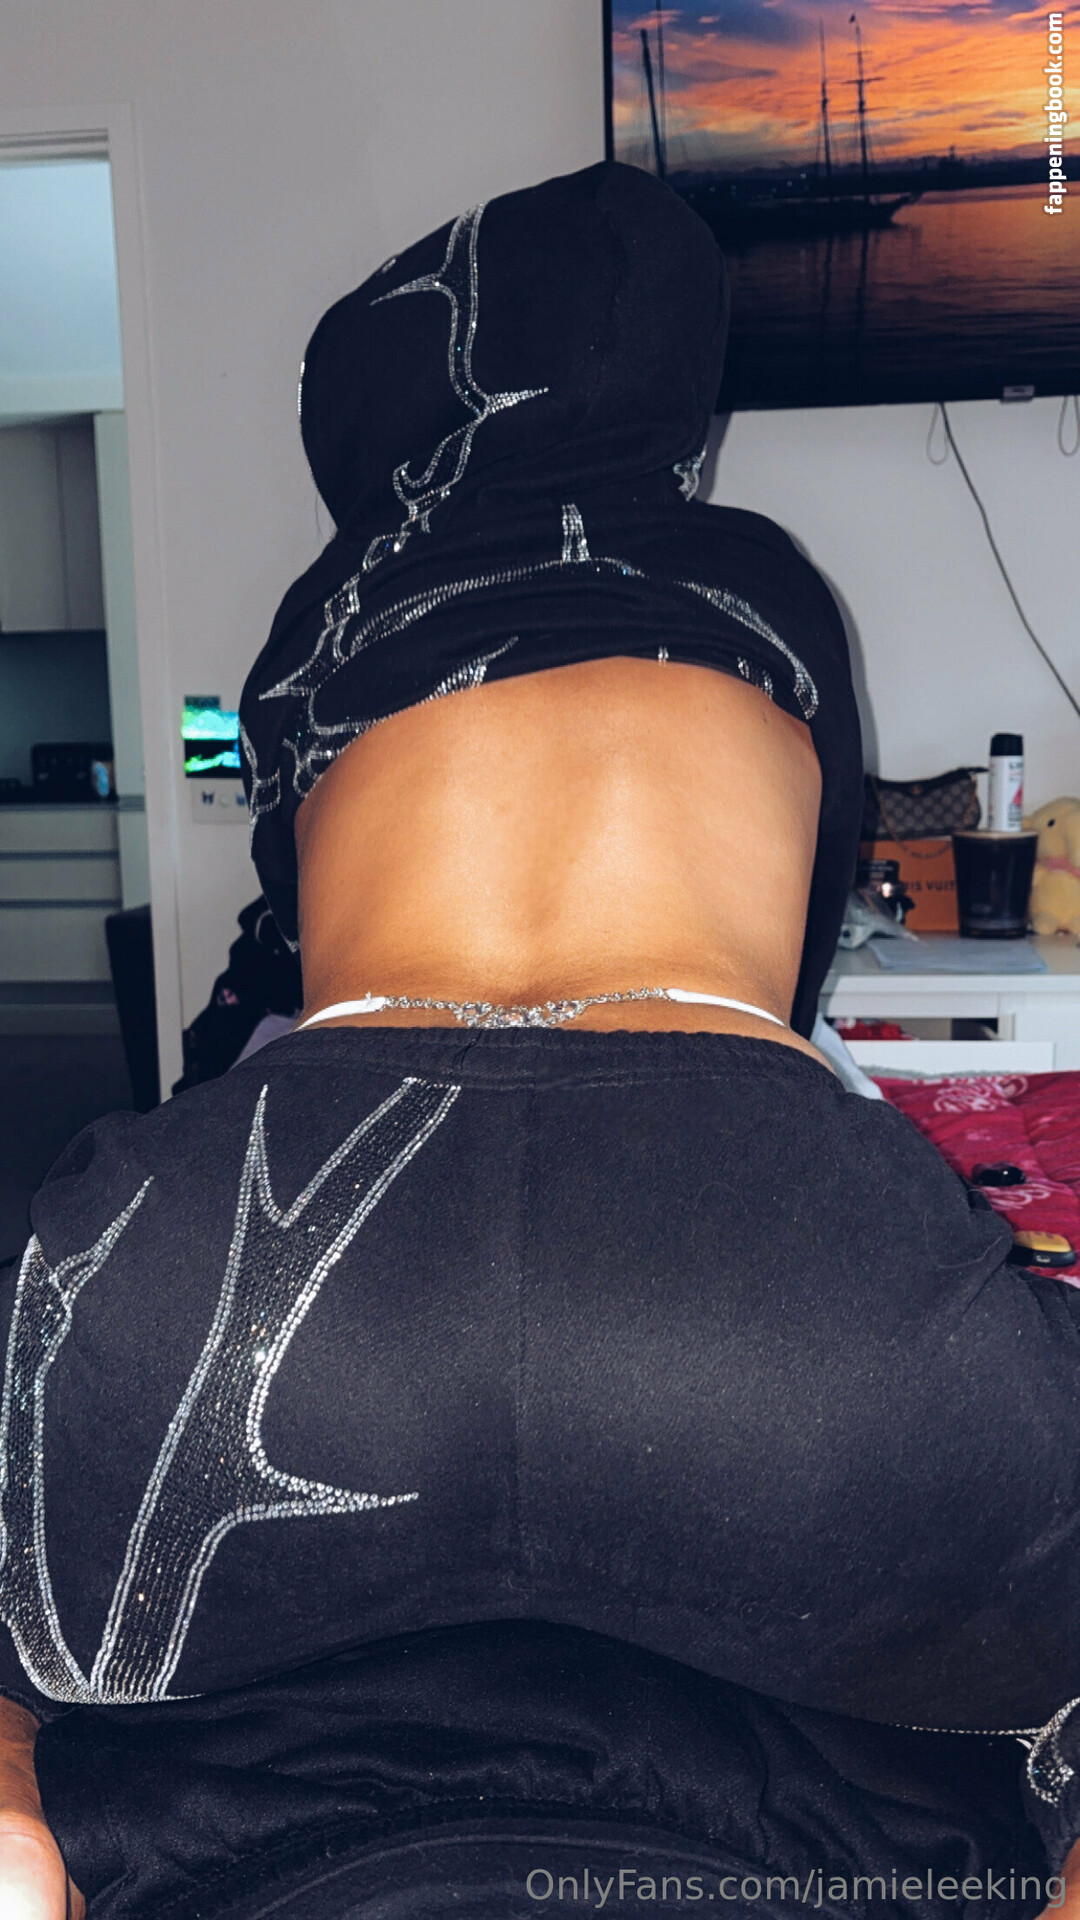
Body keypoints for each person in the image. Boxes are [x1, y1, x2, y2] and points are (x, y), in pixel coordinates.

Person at [1, 161, 1079, 1918]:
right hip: (765, 1310)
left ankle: (16, 1827)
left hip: (284, 1257)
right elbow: (784, 988)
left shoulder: (324, 625)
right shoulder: (769, 594)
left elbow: (282, 973)